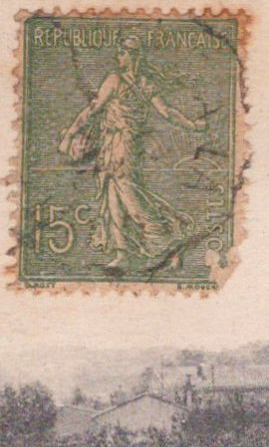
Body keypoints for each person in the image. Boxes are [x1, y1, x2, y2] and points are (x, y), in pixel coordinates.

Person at [57, 34, 205, 271]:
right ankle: (122, 252)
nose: (118, 56)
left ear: (134, 55)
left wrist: (69, 135)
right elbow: (166, 112)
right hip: (112, 145)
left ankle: (166, 242)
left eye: (123, 52)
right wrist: (191, 124)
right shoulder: (142, 83)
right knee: (112, 194)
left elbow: (94, 110)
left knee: (129, 197)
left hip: (123, 147)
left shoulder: (118, 81)